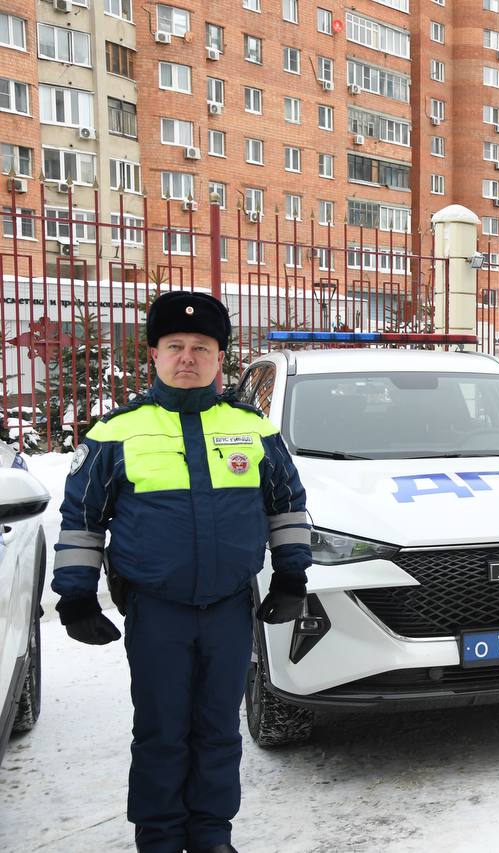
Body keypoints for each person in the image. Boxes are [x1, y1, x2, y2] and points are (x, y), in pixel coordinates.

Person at [51, 291, 311, 853]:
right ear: (154, 355)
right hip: (156, 610)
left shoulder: (253, 429)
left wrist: (292, 577)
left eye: (202, 347)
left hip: (227, 607)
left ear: (220, 359)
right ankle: (161, 837)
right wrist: (75, 597)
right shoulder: (115, 433)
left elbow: (287, 505)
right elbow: (81, 520)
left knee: (218, 730)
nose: (187, 357)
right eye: (176, 346)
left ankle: (212, 834)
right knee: (162, 731)